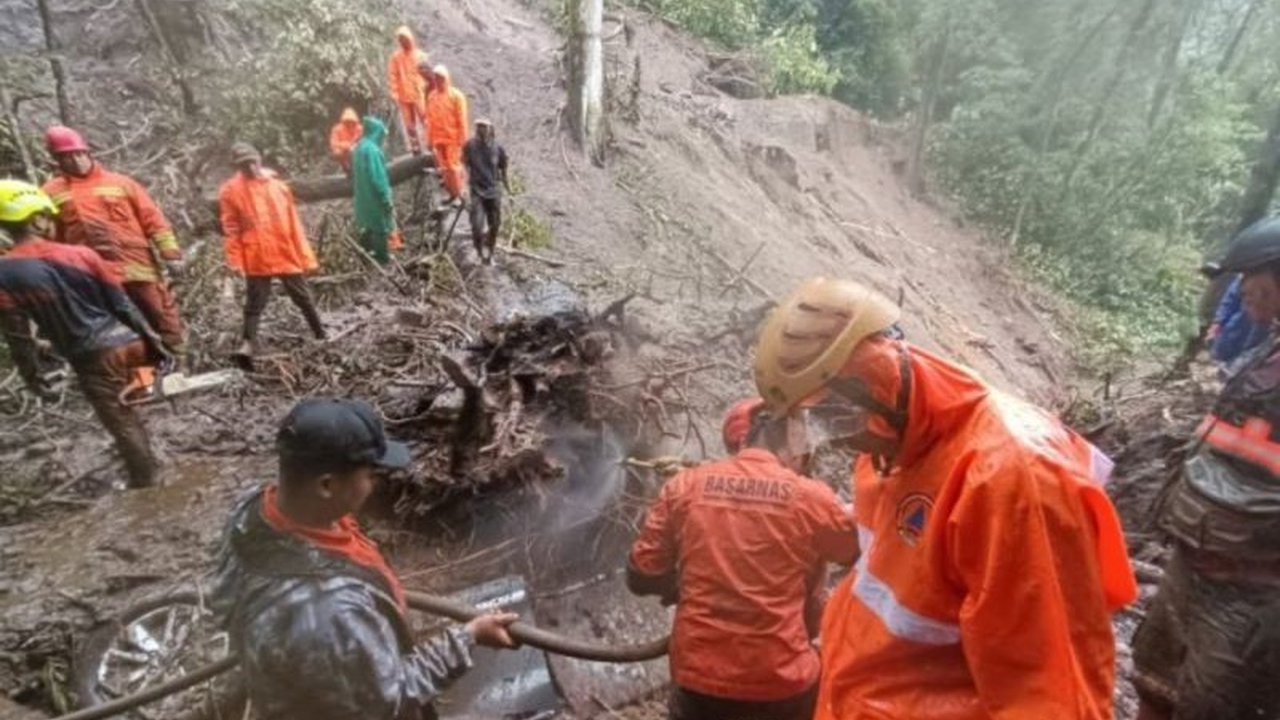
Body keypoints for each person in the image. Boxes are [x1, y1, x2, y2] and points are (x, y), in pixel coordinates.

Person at [752, 277, 1138, 720]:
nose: (832, 441)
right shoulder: (889, 446)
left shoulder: (1013, 481)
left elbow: (1053, 696)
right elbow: (898, 572)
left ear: (867, 393)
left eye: (828, 421)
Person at [210, 397, 520, 720]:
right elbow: (391, 697)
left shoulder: (252, 511)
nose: (375, 482)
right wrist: (468, 637)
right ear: (327, 485)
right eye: (370, 474)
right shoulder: (330, 612)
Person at [628, 397, 858, 720]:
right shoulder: (811, 497)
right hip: (783, 684)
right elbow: (855, 551)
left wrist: (685, 581)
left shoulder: (684, 485)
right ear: (793, 438)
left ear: (736, 442)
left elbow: (641, 574)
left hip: (698, 680)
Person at [1133, 217, 1280, 720]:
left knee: (1212, 707)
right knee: (1152, 675)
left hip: (1254, 592)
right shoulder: (1265, 348)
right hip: (1194, 560)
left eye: (1251, 277)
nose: (1241, 291)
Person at [0, 180, 170, 488]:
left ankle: (147, 488)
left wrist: (32, 376)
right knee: (135, 399)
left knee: (123, 424)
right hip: (134, 346)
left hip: (94, 359)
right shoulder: (83, 254)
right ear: (38, 218)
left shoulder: (5, 273)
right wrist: (154, 341)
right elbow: (123, 305)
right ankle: (152, 451)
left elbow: (18, 337)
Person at [41, 124, 186, 357]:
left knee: (160, 313)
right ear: (56, 160)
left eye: (79, 154)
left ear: (88, 153)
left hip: (136, 266)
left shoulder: (121, 183)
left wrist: (171, 255)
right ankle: (140, 371)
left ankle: (178, 359)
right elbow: (49, 238)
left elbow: (153, 220)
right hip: (90, 273)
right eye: (67, 157)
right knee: (113, 326)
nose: (77, 161)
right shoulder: (50, 192)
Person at [217, 142, 326, 360]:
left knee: (302, 295)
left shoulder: (278, 187)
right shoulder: (230, 191)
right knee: (255, 301)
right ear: (236, 166)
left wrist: (305, 256)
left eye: (252, 162)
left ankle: (321, 334)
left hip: (283, 249)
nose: (250, 167)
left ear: (259, 159)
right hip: (256, 254)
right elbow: (231, 229)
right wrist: (235, 261)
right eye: (244, 164)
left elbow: (294, 223)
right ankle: (247, 344)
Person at [461, 118, 510, 264]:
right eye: (478, 126)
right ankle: (478, 251)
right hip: (477, 190)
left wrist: (509, 188)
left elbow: (504, 169)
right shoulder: (469, 146)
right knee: (477, 225)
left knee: (495, 224)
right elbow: (463, 165)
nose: (481, 129)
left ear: (490, 129)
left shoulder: (498, 148)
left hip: (494, 191)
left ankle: (490, 251)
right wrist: (463, 187)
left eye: (484, 127)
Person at [352, 115, 399, 265]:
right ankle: (382, 258)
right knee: (380, 227)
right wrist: (386, 199)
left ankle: (365, 254)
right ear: (376, 132)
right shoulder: (372, 151)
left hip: (362, 196)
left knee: (366, 225)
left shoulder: (359, 147)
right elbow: (378, 179)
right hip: (374, 197)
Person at [424, 64, 469, 206]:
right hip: (439, 139)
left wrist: (463, 140)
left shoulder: (456, 96)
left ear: (446, 79)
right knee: (444, 169)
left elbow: (462, 119)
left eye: (441, 78)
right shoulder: (432, 96)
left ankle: (459, 194)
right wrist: (429, 140)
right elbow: (430, 120)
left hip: (452, 139)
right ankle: (452, 193)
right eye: (436, 78)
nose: (438, 81)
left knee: (453, 167)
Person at [1207, 273, 1268, 370]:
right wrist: (1217, 324)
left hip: (1258, 348)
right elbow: (1230, 300)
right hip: (1233, 336)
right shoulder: (1251, 272)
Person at [387, 26, 428, 154]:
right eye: (401, 40)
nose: (403, 42)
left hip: (418, 94)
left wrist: (425, 88)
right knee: (409, 125)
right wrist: (394, 92)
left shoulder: (420, 55)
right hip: (404, 95)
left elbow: (427, 74)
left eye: (405, 39)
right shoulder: (396, 57)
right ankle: (415, 148)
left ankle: (431, 144)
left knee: (426, 120)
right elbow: (392, 75)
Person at [328, 108, 363, 174]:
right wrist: (347, 145)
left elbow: (364, 140)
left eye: (352, 121)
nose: (350, 124)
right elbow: (333, 144)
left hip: (357, 151)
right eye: (348, 121)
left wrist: (356, 145)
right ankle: (346, 167)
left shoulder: (359, 128)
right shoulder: (337, 129)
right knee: (338, 152)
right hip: (343, 152)